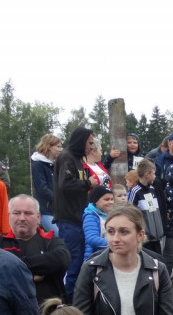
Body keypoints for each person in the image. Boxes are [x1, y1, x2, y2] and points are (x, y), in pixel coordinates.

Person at [0, 195, 71, 306]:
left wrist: (13, 267)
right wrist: (31, 275)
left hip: (48, 313)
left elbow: (62, 259)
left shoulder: (50, 242)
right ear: (9, 216)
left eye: (28, 213)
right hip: (7, 311)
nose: (22, 218)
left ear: (38, 217)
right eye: (16, 213)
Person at [54, 127, 98, 297]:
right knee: (72, 264)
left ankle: (77, 301)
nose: (91, 147)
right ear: (81, 141)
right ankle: (66, 302)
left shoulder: (78, 159)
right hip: (68, 220)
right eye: (90, 143)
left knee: (80, 263)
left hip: (79, 218)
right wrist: (88, 183)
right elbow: (64, 184)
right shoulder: (66, 157)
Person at [30, 134, 62, 235]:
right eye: (58, 146)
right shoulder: (38, 165)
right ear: (49, 147)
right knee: (60, 235)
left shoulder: (55, 165)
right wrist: (60, 199)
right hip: (46, 211)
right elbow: (42, 189)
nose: (60, 149)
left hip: (58, 211)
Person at [82, 185, 113, 261]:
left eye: (112, 199)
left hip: (108, 254)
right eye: (106, 199)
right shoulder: (91, 216)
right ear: (96, 201)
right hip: (94, 257)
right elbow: (91, 238)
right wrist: (113, 243)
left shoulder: (110, 214)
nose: (110, 202)